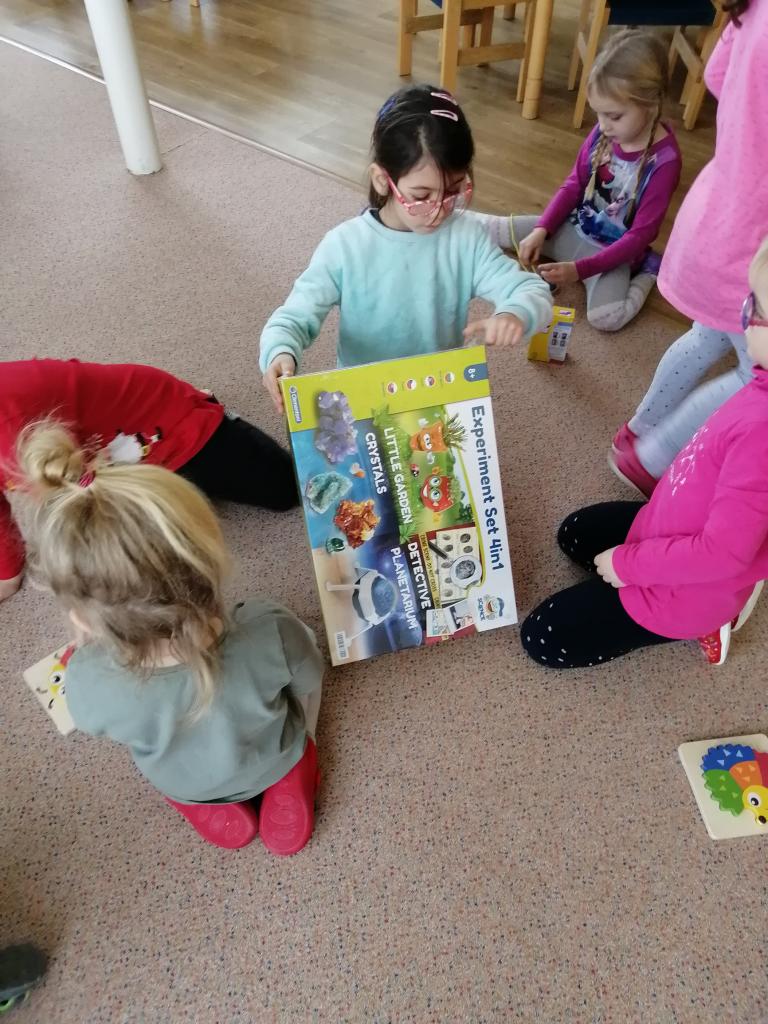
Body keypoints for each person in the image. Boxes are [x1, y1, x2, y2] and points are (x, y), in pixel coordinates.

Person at [16, 421, 324, 855]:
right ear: (210, 562)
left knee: (176, 782)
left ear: (83, 619)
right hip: (271, 757)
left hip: (182, 781)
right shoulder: (268, 628)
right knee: (301, 714)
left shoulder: (87, 681)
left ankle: (201, 804)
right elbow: (310, 676)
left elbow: (92, 723)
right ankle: (290, 779)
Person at [520, 236, 768, 669]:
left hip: (686, 592)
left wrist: (628, 565)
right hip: (672, 528)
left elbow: (722, 554)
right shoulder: (761, 384)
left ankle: (711, 620)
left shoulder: (761, 436)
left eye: (755, 309)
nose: (743, 317)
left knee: (542, 638)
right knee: (574, 533)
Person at [260, 83, 551, 412]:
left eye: (453, 192)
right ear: (382, 180)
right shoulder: (345, 246)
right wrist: (280, 351)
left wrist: (514, 313)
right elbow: (294, 316)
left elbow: (532, 289)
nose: (439, 210)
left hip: (438, 391)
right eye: (421, 196)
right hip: (363, 397)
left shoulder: (466, 239)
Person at [609, 0, 768, 495]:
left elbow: (717, 77)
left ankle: (641, 430)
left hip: (719, 215)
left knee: (709, 338)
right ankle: (652, 456)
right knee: (757, 375)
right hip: (752, 245)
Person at [0, 358, 298, 604]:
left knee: (290, 488)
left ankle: (204, 406)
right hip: (105, 463)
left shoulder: (12, 432)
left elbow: (76, 502)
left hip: (161, 422)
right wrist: (8, 572)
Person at [471, 30, 681, 332]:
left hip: (612, 255)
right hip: (571, 228)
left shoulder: (665, 162)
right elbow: (574, 184)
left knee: (606, 318)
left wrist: (580, 270)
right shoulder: (603, 132)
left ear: (651, 103)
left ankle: (649, 272)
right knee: (497, 229)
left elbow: (639, 236)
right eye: (599, 114)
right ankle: (442, 215)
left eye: (614, 116)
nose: (603, 126)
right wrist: (542, 229)